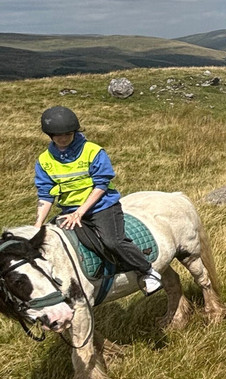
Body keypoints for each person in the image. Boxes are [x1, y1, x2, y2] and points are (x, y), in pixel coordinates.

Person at [33, 106, 162, 294]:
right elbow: (45, 194)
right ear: (50, 135)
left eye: (67, 134)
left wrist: (80, 212)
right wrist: (37, 225)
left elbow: (101, 184)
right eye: (57, 134)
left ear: (75, 132)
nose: (62, 138)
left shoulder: (92, 151)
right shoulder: (44, 160)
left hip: (102, 206)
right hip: (70, 211)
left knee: (113, 241)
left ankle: (147, 271)